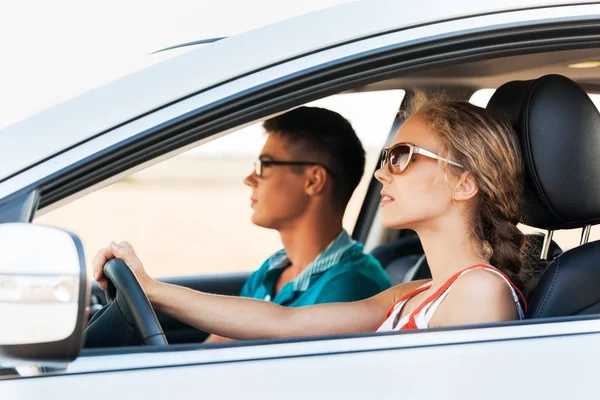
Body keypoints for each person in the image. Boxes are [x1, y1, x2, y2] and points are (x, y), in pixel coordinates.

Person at [93, 97, 533, 339]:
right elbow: (283, 322)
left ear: (464, 183)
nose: (381, 172)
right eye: (385, 157)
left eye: (402, 157)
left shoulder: (478, 291)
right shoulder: (414, 293)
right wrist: (152, 289)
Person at [96, 106, 392, 343]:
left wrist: (153, 290)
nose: (249, 179)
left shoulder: (353, 287)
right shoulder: (272, 270)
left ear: (313, 180)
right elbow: (213, 353)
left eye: (265, 165)